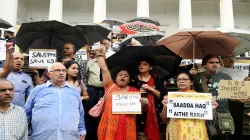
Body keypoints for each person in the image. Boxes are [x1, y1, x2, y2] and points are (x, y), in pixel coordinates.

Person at [95, 47, 149, 140]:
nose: (123, 76)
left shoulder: (134, 91)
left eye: (126, 76)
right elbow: (104, 69)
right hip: (109, 127)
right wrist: (100, 55)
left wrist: (144, 104)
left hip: (128, 127)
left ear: (129, 80)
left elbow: (141, 110)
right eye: (120, 75)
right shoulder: (110, 86)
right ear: (115, 79)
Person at [24, 62, 86, 140]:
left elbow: (80, 112)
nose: (61, 73)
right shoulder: (38, 90)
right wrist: (26, 132)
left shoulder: (74, 91)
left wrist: (81, 130)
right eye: (57, 70)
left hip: (69, 137)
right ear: (49, 74)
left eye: (63, 71)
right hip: (42, 137)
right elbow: (26, 113)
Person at [160, 72, 218, 140]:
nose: (181, 81)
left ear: (191, 82)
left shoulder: (201, 98)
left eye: (185, 79)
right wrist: (165, 107)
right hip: (176, 133)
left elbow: (209, 117)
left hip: (196, 133)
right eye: (179, 79)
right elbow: (164, 119)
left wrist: (212, 108)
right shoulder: (171, 98)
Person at [193, 54, 232, 140]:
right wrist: (189, 75)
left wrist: (240, 99)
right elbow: (191, 94)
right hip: (204, 114)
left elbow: (231, 95)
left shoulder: (226, 77)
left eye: (217, 62)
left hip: (223, 113)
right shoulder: (197, 77)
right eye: (211, 62)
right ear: (204, 65)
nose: (215, 64)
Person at [129, 57, 166, 140]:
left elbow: (162, 95)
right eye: (140, 64)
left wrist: (151, 88)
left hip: (155, 112)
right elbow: (129, 96)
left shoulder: (156, 78)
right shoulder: (133, 80)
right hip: (139, 112)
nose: (141, 66)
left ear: (150, 67)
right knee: (140, 135)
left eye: (145, 64)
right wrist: (138, 92)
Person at [221, 53, 250, 139]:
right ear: (222, 60)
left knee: (237, 125)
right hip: (223, 103)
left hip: (238, 103)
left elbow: (244, 90)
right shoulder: (217, 72)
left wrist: (247, 82)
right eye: (227, 57)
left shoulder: (242, 73)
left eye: (232, 56)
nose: (231, 59)